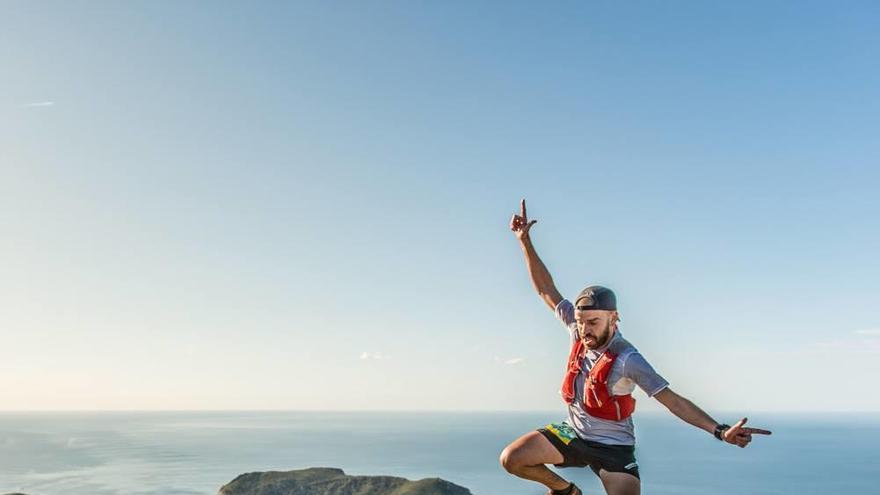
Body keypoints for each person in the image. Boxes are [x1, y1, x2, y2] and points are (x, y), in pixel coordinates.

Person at [499, 199, 771, 495]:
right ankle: (566, 492)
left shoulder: (628, 359)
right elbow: (545, 290)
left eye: (593, 322)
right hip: (572, 433)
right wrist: (524, 240)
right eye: (580, 321)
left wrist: (719, 431)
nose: (584, 330)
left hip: (614, 449)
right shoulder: (576, 330)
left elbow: (672, 400)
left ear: (613, 319)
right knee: (513, 459)